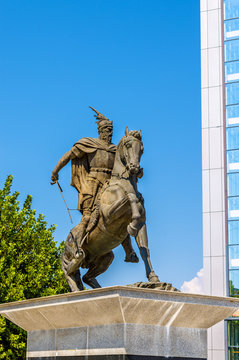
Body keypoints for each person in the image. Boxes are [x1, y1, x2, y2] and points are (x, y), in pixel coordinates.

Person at [51, 107, 138, 262]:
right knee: (87, 218)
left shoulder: (115, 150)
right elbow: (68, 155)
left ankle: (129, 251)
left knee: (123, 215)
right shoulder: (89, 144)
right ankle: (77, 247)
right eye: (106, 130)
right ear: (100, 130)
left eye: (111, 130)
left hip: (110, 185)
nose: (109, 133)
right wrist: (55, 171)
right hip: (92, 184)